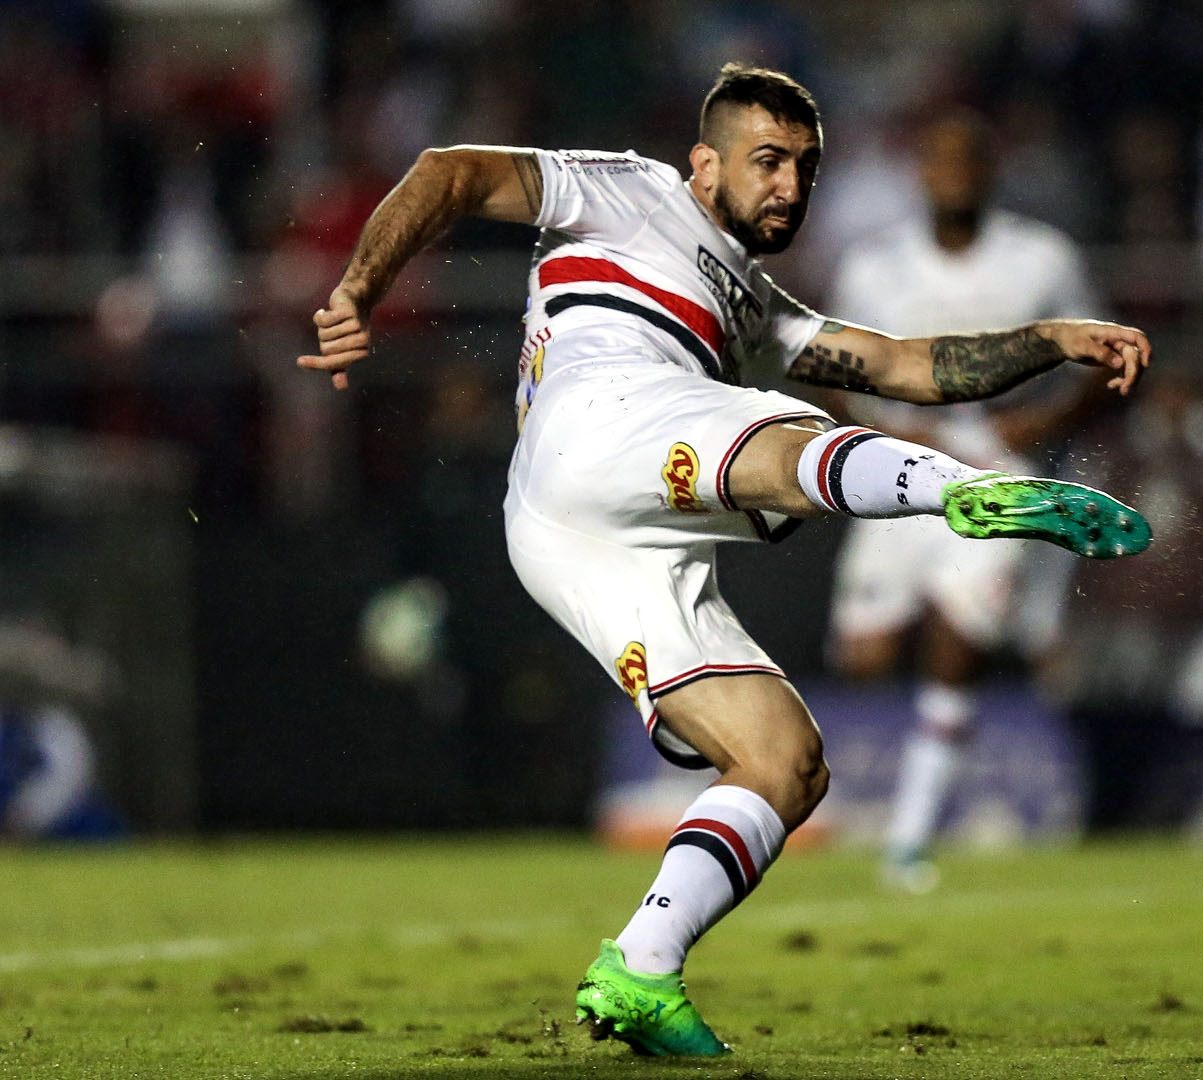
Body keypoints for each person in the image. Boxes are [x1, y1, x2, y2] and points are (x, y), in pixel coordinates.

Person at [296, 64, 1151, 1057]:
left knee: (785, 763)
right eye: (768, 161)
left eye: (805, 167)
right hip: (597, 422)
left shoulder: (756, 311)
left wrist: (1049, 339)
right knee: (786, 437)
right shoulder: (625, 189)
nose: (789, 185)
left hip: (575, 532)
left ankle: (640, 968)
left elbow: (905, 366)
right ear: (704, 164)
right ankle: (961, 495)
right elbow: (449, 171)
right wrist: (358, 286)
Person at [824, 109, 1101, 893]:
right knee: (866, 657)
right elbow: (826, 366)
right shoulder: (874, 267)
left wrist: (1044, 422)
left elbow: (1098, 363)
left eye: (968, 158)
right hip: (897, 478)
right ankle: (838, 798)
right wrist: (880, 428)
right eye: (939, 159)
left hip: (995, 478)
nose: (954, 173)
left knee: (957, 647)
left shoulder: (1044, 259)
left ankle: (909, 841)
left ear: (991, 169)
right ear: (919, 172)